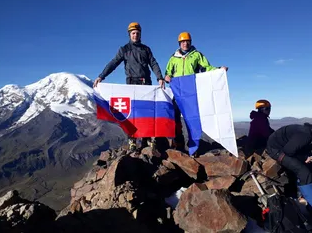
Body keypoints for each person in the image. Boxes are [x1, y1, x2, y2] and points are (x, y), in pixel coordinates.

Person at [93, 22, 165, 152]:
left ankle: (146, 139)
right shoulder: (124, 49)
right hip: (131, 84)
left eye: (137, 33)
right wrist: (101, 76)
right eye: (133, 33)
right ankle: (132, 140)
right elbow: (113, 63)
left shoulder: (146, 49)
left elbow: (153, 63)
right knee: (131, 113)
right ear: (129, 34)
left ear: (140, 34)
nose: (135, 35)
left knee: (146, 111)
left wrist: (159, 77)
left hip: (145, 83)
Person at [164, 31, 228, 154]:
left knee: (192, 120)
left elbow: (207, 68)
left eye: (187, 41)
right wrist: (167, 77)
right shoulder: (173, 58)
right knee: (175, 119)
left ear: (190, 42)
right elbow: (168, 72)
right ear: (179, 43)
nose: (185, 43)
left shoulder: (197, 55)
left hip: (191, 93)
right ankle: (180, 145)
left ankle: (194, 147)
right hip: (177, 93)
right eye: (182, 42)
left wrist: (219, 70)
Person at [266, 123, 312, 222]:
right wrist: (305, 157)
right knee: (304, 172)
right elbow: (288, 151)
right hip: (276, 149)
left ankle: (303, 192)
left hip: (287, 147)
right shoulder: (306, 135)